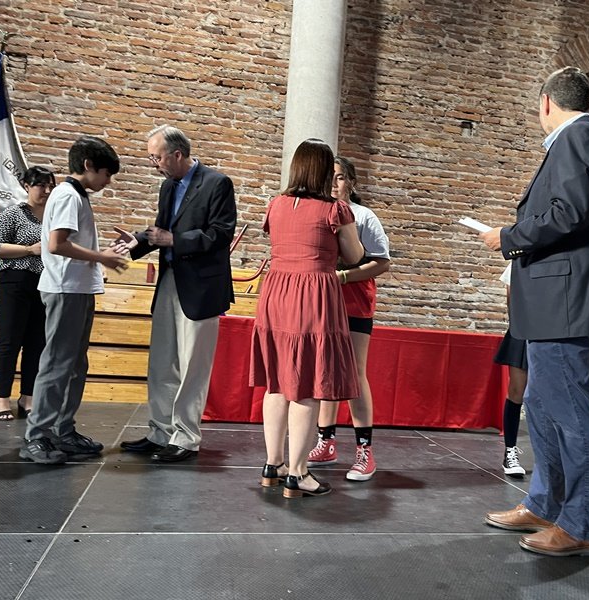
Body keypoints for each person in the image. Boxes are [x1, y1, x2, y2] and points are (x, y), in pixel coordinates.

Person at [479, 67, 589, 557]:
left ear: (547, 102)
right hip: (558, 297)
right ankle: (546, 504)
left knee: (570, 409)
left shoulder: (578, 138)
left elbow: (570, 212)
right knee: (544, 404)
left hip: (565, 297)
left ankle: (583, 525)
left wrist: (508, 237)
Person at [250, 139, 364, 499]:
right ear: (324, 171)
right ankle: (298, 474)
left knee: (277, 382)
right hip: (313, 294)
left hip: (276, 293)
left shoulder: (276, 204)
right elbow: (355, 256)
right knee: (307, 382)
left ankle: (273, 464)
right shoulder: (335, 210)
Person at [118, 125, 237, 463]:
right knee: (162, 363)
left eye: (156, 158)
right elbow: (162, 230)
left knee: (192, 368)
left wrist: (174, 240)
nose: (153, 164)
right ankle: (161, 432)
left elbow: (220, 234)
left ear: (177, 154)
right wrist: (137, 242)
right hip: (169, 280)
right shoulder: (168, 186)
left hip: (201, 287)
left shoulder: (217, 183)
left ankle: (185, 438)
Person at [20, 136, 128, 464]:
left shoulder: (77, 196)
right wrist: (102, 257)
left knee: (75, 365)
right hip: (65, 289)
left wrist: (100, 254)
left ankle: (63, 431)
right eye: (106, 174)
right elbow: (57, 244)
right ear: (88, 165)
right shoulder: (68, 194)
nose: (108, 181)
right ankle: (37, 436)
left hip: (77, 289)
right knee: (57, 364)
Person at [307, 156, 390, 482]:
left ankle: (365, 452)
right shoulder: (317, 212)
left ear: (351, 182)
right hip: (323, 303)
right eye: (329, 177)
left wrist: (343, 276)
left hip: (355, 303)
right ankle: (325, 442)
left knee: (354, 374)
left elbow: (382, 262)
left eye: (340, 177)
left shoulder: (364, 216)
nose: (334, 183)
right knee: (325, 372)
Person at [0, 166, 56, 421]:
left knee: (37, 343)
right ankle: (1, 399)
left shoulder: (54, 217)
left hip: (43, 283)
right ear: (27, 186)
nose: (46, 191)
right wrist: (28, 250)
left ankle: (27, 397)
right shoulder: (13, 213)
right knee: (9, 342)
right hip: (13, 282)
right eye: (40, 185)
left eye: (50, 186)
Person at [493, 263, 527, 478]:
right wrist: (518, 325)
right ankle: (510, 451)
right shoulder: (519, 261)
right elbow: (510, 293)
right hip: (524, 329)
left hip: (552, 330)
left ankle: (551, 455)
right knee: (516, 391)